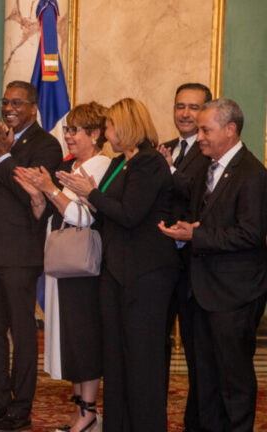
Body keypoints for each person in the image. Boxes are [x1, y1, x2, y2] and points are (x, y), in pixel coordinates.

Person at [58, 98, 180, 431]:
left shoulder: (150, 163)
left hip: (147, 273)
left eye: (109, 126)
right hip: (116, 271)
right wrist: (83, 195)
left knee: (142, 359)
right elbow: (105, 211)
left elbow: (129, 214)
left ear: (125, 126)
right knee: (115, 356)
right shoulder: (117, 163)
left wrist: (90, 193)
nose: (106, 132)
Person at [159, 98, 267, 432]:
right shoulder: (208, 166)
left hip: (235, 294)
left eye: (206, 129)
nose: (199, 135)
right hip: (201, 291)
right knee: (204, 379)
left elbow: (250, 234)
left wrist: (197, 235)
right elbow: (199, 218)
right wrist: (184, 230)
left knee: (232, 380)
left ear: (231, 130)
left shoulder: (253, 174)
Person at [0, 81, 61, 432]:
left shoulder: (47, 146)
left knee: (22, 334)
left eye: (18, 102)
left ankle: (20, 411)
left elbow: (32, 195)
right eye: (5, 101)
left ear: (34, 107)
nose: (10, 108)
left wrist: (4, 157)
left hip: (20, 254)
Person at [13, 102, 111, 432]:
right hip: (60, 261)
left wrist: (51, 190)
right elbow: (53, 215)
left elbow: (85, 216)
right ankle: (81, 410)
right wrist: (38, 196)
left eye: (74, 130)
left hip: (83, 267)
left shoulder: (101, 166)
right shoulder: (69, 165)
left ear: (96, 134)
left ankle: (88, 412)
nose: (67, 136)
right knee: (69, 338)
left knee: (83, 339)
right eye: (67, 129)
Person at [157, 83, 212, 432]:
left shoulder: (211, 150)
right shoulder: (167, 147)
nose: (185, 114)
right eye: (180, 106)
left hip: (198, 267)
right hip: (163, 264)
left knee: (197, 352)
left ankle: (196, 423)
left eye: (194, 107)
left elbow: (196, 193)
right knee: (156, 345)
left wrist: (169, 172)